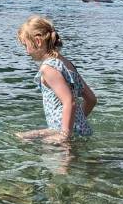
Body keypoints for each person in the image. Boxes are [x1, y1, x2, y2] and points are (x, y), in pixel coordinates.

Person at [15, 15, 97, 143]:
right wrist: (76, 122)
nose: (27, 52)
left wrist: (64, 134)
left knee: (59, 162)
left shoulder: (48, 68)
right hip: (77, 129)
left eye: (26, 45)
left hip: (63, 133)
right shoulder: (66, 63)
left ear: (38, 41)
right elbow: (91, 99)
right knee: (22, 136)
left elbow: (69, 102)